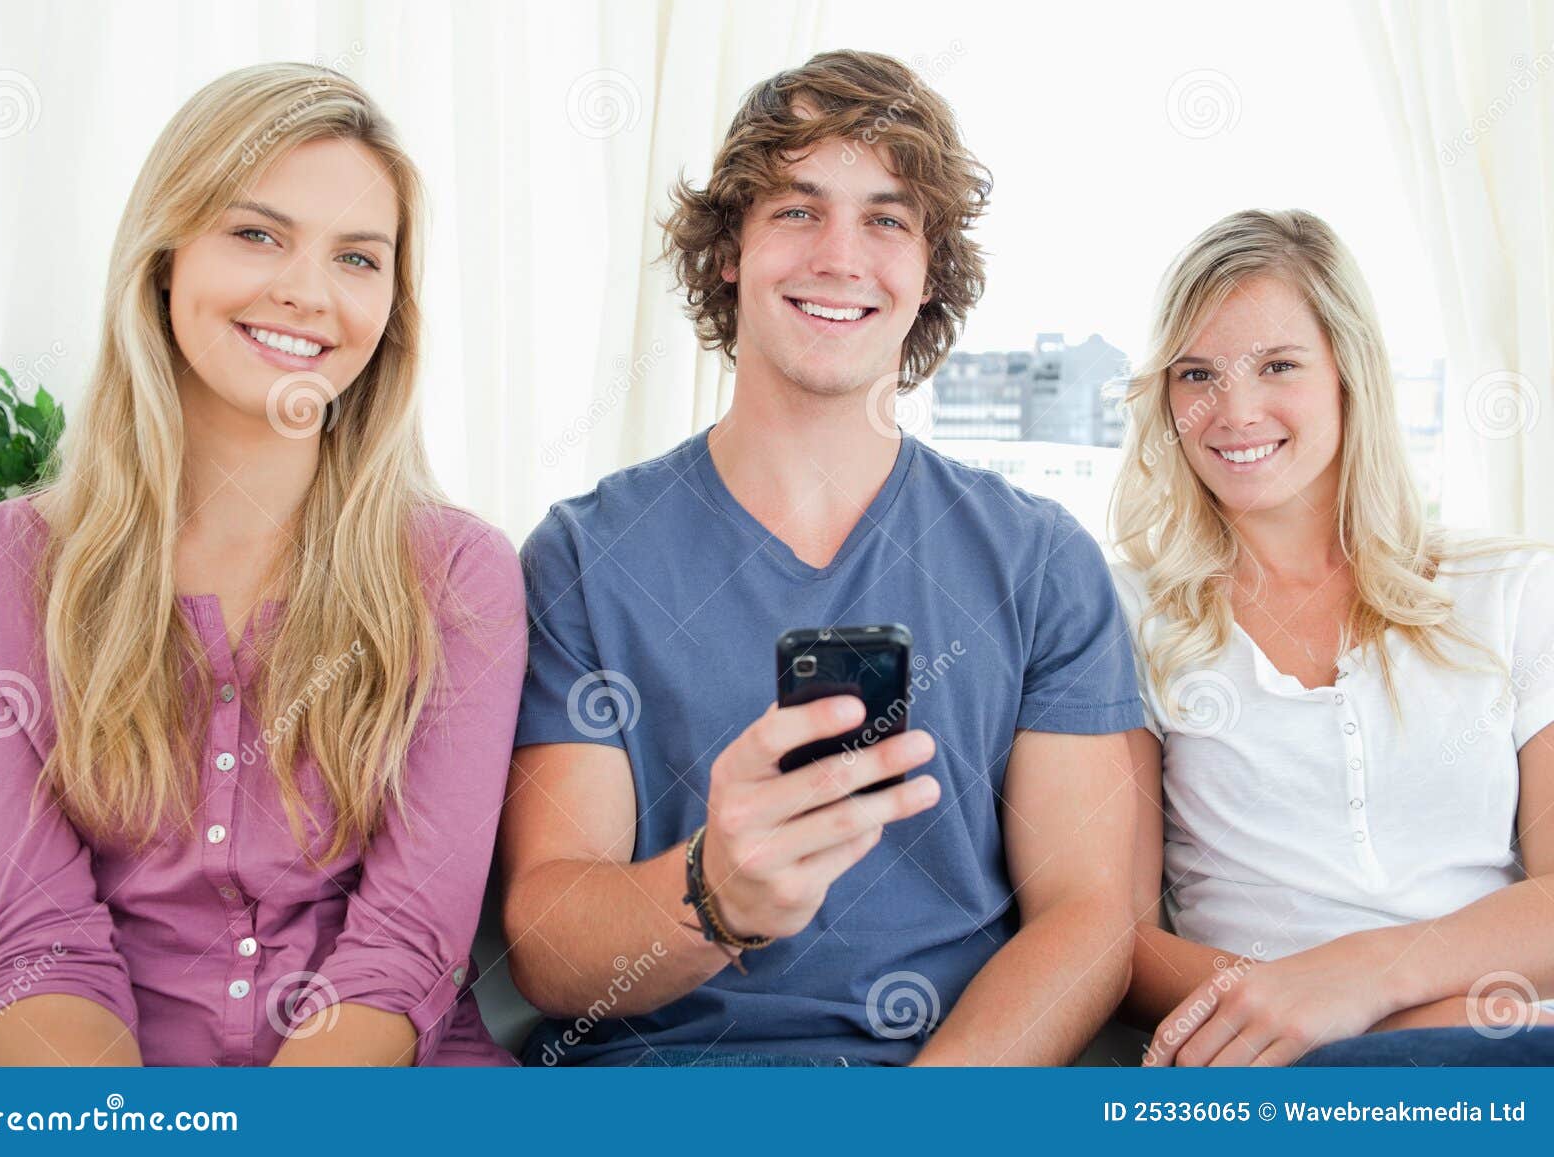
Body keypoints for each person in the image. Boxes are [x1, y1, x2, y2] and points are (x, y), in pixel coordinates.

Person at [501, 49, 1143, 1067]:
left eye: (886, 218)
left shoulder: (1041, 564)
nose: (841, 256)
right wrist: (713, 893)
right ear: (729, 252)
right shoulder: (583, 555)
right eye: (797, 210)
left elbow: (1090, 915)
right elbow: (547, 935)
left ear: (928, 269)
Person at [0, 64, 526, 1066]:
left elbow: (399, 953)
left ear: (392, 304)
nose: (306, 291)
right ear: (166, 256)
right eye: (257, 233)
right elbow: (29, 954)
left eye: (358, 257)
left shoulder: (458, 575)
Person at [1110, 208, 1554, 1066]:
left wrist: (1363, 982)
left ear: (1349, 374)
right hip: (1279, 1064)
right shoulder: (1128, 615)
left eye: (1278, 365)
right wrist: (1314, 1014)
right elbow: (1120, 944)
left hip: (1507, 1047)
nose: (1234, 411)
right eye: (1197, 374)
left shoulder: (1514, 592)